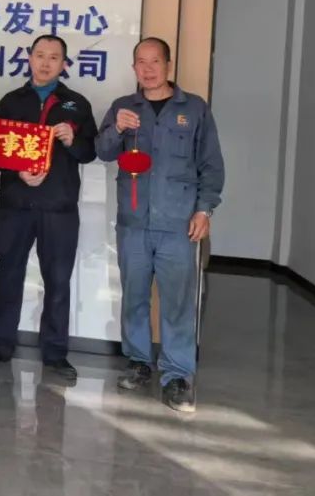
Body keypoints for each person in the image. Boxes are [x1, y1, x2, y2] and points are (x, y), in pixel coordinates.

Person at [95, 37, 224, 413]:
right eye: (141, 62)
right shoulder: (123, 107)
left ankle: (178, 376)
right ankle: (138, 362)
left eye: (155, 61)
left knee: (177, 301)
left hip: (179, 224)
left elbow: (211, 164)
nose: (148, 69)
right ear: (133, 67)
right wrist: (116, 130)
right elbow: (102, 151)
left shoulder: (194, 109)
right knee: (134, 297)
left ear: (169, 65)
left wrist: (204, 210)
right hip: (134, 223)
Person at [0, 35, 98, 383]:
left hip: (58, 208)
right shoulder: (11, 101)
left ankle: (56, 353)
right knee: (8, 275)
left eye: (54, 57)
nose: (46, 63)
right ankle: (0, 345)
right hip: (16, 204)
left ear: (64, 64)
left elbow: (90, 152)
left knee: (58, 281)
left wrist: (72, 141)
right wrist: (17, 171)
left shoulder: (76, 104)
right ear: (29, 58)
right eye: (40, 55)